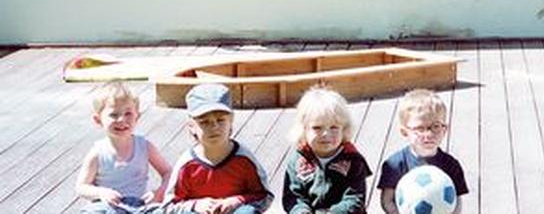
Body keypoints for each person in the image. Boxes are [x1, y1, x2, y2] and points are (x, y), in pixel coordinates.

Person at [161, 84, 272, 213]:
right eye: (204, 122)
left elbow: (264, 196)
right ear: (191, 126)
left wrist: (238, 200)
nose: (214, 127)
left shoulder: (244, 159)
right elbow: (169, 207)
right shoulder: (187, 165)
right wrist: (195, 205)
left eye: (220, 120)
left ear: (231, 120)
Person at [75, 83, 173, 213]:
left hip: (138, 205)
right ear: (98, 120)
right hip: (107, 206)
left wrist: (159, 192)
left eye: (128, 113)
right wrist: (101, 193)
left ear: (137, 116)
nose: (121, 119)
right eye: (113, 115)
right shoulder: (98, 153)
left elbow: (169, 173)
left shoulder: (144, 146)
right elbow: (82, 187)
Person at [282, 86, 371, 214]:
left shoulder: (353, 160)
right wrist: (301, 211)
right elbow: (293, 197)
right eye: (317, 128)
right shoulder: (298, 160)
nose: (326, 134)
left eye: (334, 127)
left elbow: (355, 198)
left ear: (344, 129)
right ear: (304, 129)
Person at [377, 89, 468, 213]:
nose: (429, 134)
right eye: (420, 128)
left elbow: (457, 200)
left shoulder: (451, 165)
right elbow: (387, 200)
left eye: (436, 126)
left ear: (445, 129)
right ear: (404, 132)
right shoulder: (395, 165)